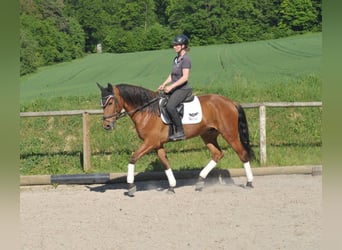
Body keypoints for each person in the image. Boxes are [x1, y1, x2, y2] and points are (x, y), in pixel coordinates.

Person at [158, 34, 192, 141]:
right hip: (176, 88)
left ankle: (180, 131)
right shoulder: (176, 59)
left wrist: (171, 86)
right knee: (161, 101)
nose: (174, 47)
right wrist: (164, 84)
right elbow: (172, 75)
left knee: (170, 106)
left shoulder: (186, 59)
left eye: (177, 45)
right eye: (174, 45)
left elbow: (185, 77)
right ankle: (169, 129)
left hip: (183, 89)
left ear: (183, 46)